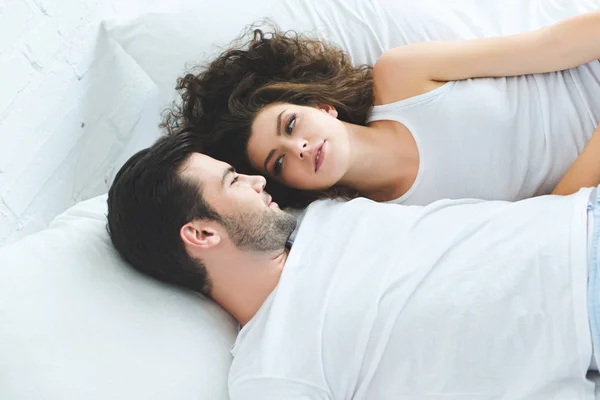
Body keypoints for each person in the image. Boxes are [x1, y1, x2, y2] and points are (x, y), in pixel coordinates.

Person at [108, 127, 600, 399]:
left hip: (580, 220)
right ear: (201, 233)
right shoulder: (272, 371)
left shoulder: (321, 215)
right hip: (580, 316)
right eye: (234, 180)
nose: (258, 182)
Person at [163, 8, 600, 210]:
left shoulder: (404, 77)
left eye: (290, 124)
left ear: (322, 106)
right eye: (278, 162)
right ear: (287, 185)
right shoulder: (383, 221)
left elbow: (554, 44)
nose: (298, 148)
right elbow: (544, 223)